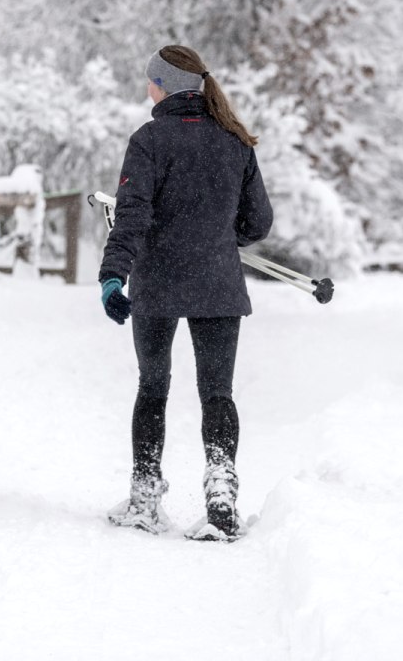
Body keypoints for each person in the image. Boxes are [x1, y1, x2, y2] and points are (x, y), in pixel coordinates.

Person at [98, 45, 274, 541]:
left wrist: (113, 276)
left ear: (163, 86)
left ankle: (145, 499)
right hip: (219, 283)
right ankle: (222, 500)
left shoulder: (150, 139)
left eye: (150, 82)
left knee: (152, 389)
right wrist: (216, 234)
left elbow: (132, 216)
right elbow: (257, 222)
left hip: (157, 283)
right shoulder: (236, 141)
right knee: (217, 394)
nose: (146, 90)